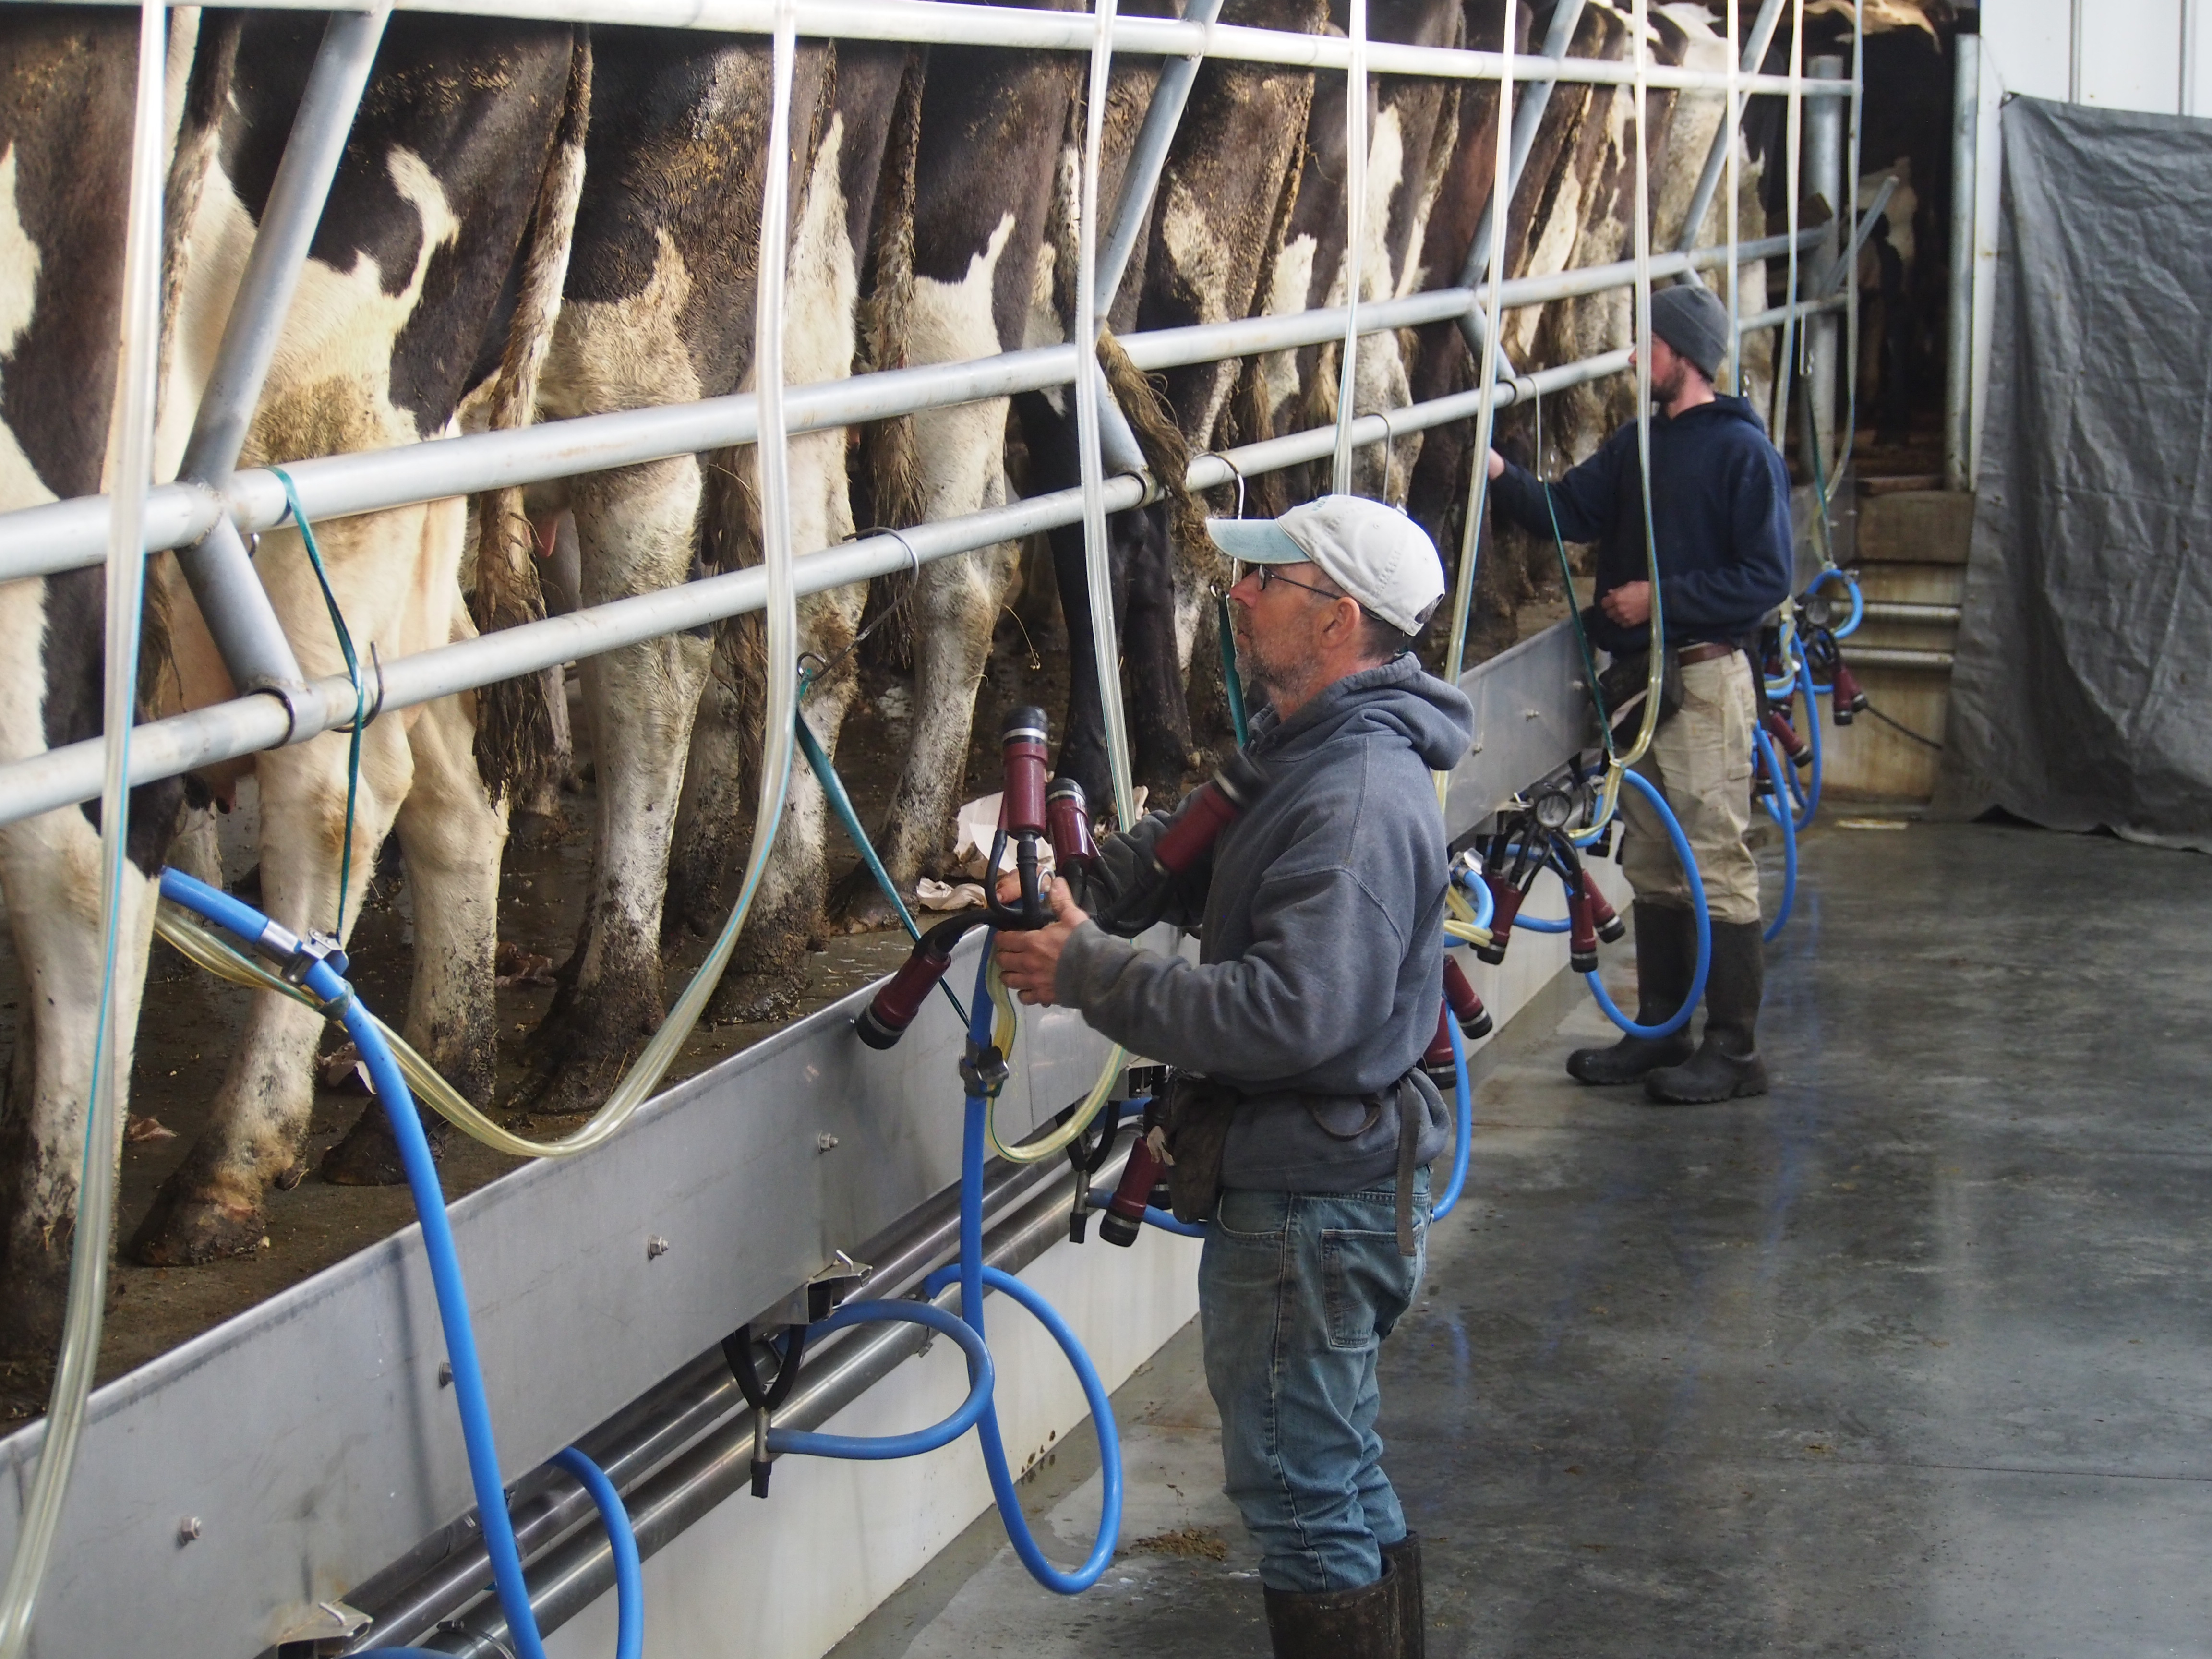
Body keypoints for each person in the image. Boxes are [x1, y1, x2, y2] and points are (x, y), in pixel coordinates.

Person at [993, 495, 1474, 1659]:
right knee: (1338, 1468)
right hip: (1330, 1173)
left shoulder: (1352, 797)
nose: (1239, 594)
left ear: (1338, 624)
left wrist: (1088, 970)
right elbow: (1191, 853)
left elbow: (1290, 1014)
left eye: (1270, 581)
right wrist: (1096, 882)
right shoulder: (1307, 754)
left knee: (1302, 1499)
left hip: (1308, 1195)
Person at [1485, 281, 1794, 1103]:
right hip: (1641, 687)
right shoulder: (1638, 446)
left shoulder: (1741, 453)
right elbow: (1569, 512)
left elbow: (1766, 578)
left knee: (1715, 857)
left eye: (1647, 343)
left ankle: (1734, 1051)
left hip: (1701, 676)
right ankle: (1665, 1029)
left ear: (1684, 356)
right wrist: (1494, 471)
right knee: (1657, 859)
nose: (1633, 356)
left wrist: (1660, 597)